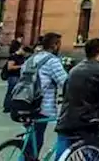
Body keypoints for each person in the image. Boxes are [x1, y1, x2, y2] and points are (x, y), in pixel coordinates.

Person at [18, 32, 68, 161]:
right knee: (36, 140)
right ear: (55, 45)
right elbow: (65, 83)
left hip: (23, 102)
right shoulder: (52, 61)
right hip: (41, 106)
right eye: (59, 44)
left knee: (31, 141)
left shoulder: (31, 59)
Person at [3, 42, 28, 113]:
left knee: (16, 92)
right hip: (13, 76)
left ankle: (13, 106)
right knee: (11, 91)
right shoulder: (13, 56)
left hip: (18, 76)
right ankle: (7, 107)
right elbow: (10, 67)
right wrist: (21, 66)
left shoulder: (21, 57)